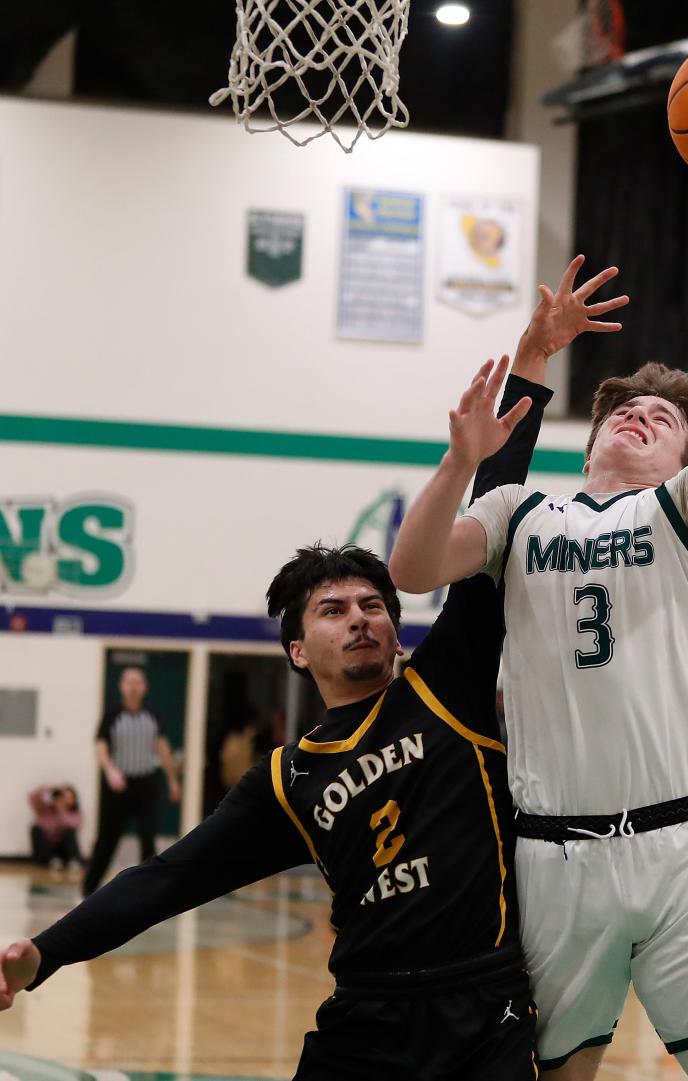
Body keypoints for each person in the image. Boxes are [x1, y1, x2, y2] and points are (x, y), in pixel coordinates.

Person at [0, 261, 627, 1078]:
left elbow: (491, 515)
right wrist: (42, 954)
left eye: (372, 605)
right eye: (333, 611)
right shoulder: (288, 778)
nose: (361, 616)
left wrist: (533, 363)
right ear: (298, 650)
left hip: (485, 1009)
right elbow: (166, 879)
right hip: (365, 1016)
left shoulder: (448, 688)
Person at [390, 100, 688, 1080]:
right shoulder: (520, 517)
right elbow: (410, 571)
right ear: (589, 438)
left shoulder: (687, 514)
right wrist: (462, 460)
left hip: (681, 849)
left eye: (660, 419)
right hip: (553, 861)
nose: (637, 417)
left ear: (685, 454)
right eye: (623, 409)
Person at [82, 667, 182, 897]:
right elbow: (101, 746)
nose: (134, 687)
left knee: (148, 837)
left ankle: (149, 890)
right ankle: (88, 889)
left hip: (146, 782)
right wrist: (109, 771)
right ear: (122, 686)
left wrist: (172, 780)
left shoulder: (153, 714)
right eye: (129, 682)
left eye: (138, 682)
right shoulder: (112, 714)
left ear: (144, 687)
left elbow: (162, 747)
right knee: (107, 838)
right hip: (118, 784)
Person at [28, 786, 83, 872]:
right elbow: (32, 796)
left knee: (69, 831)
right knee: (35, 828)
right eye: (63, 797)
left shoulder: (75, 815)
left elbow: (70, 826)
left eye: (68, 797)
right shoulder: (44, 810)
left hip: (63, 850)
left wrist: (61, 810)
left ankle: (73, 861)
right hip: (47, 849)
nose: (64, 800)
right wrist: (53, 788)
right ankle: (51, 860)